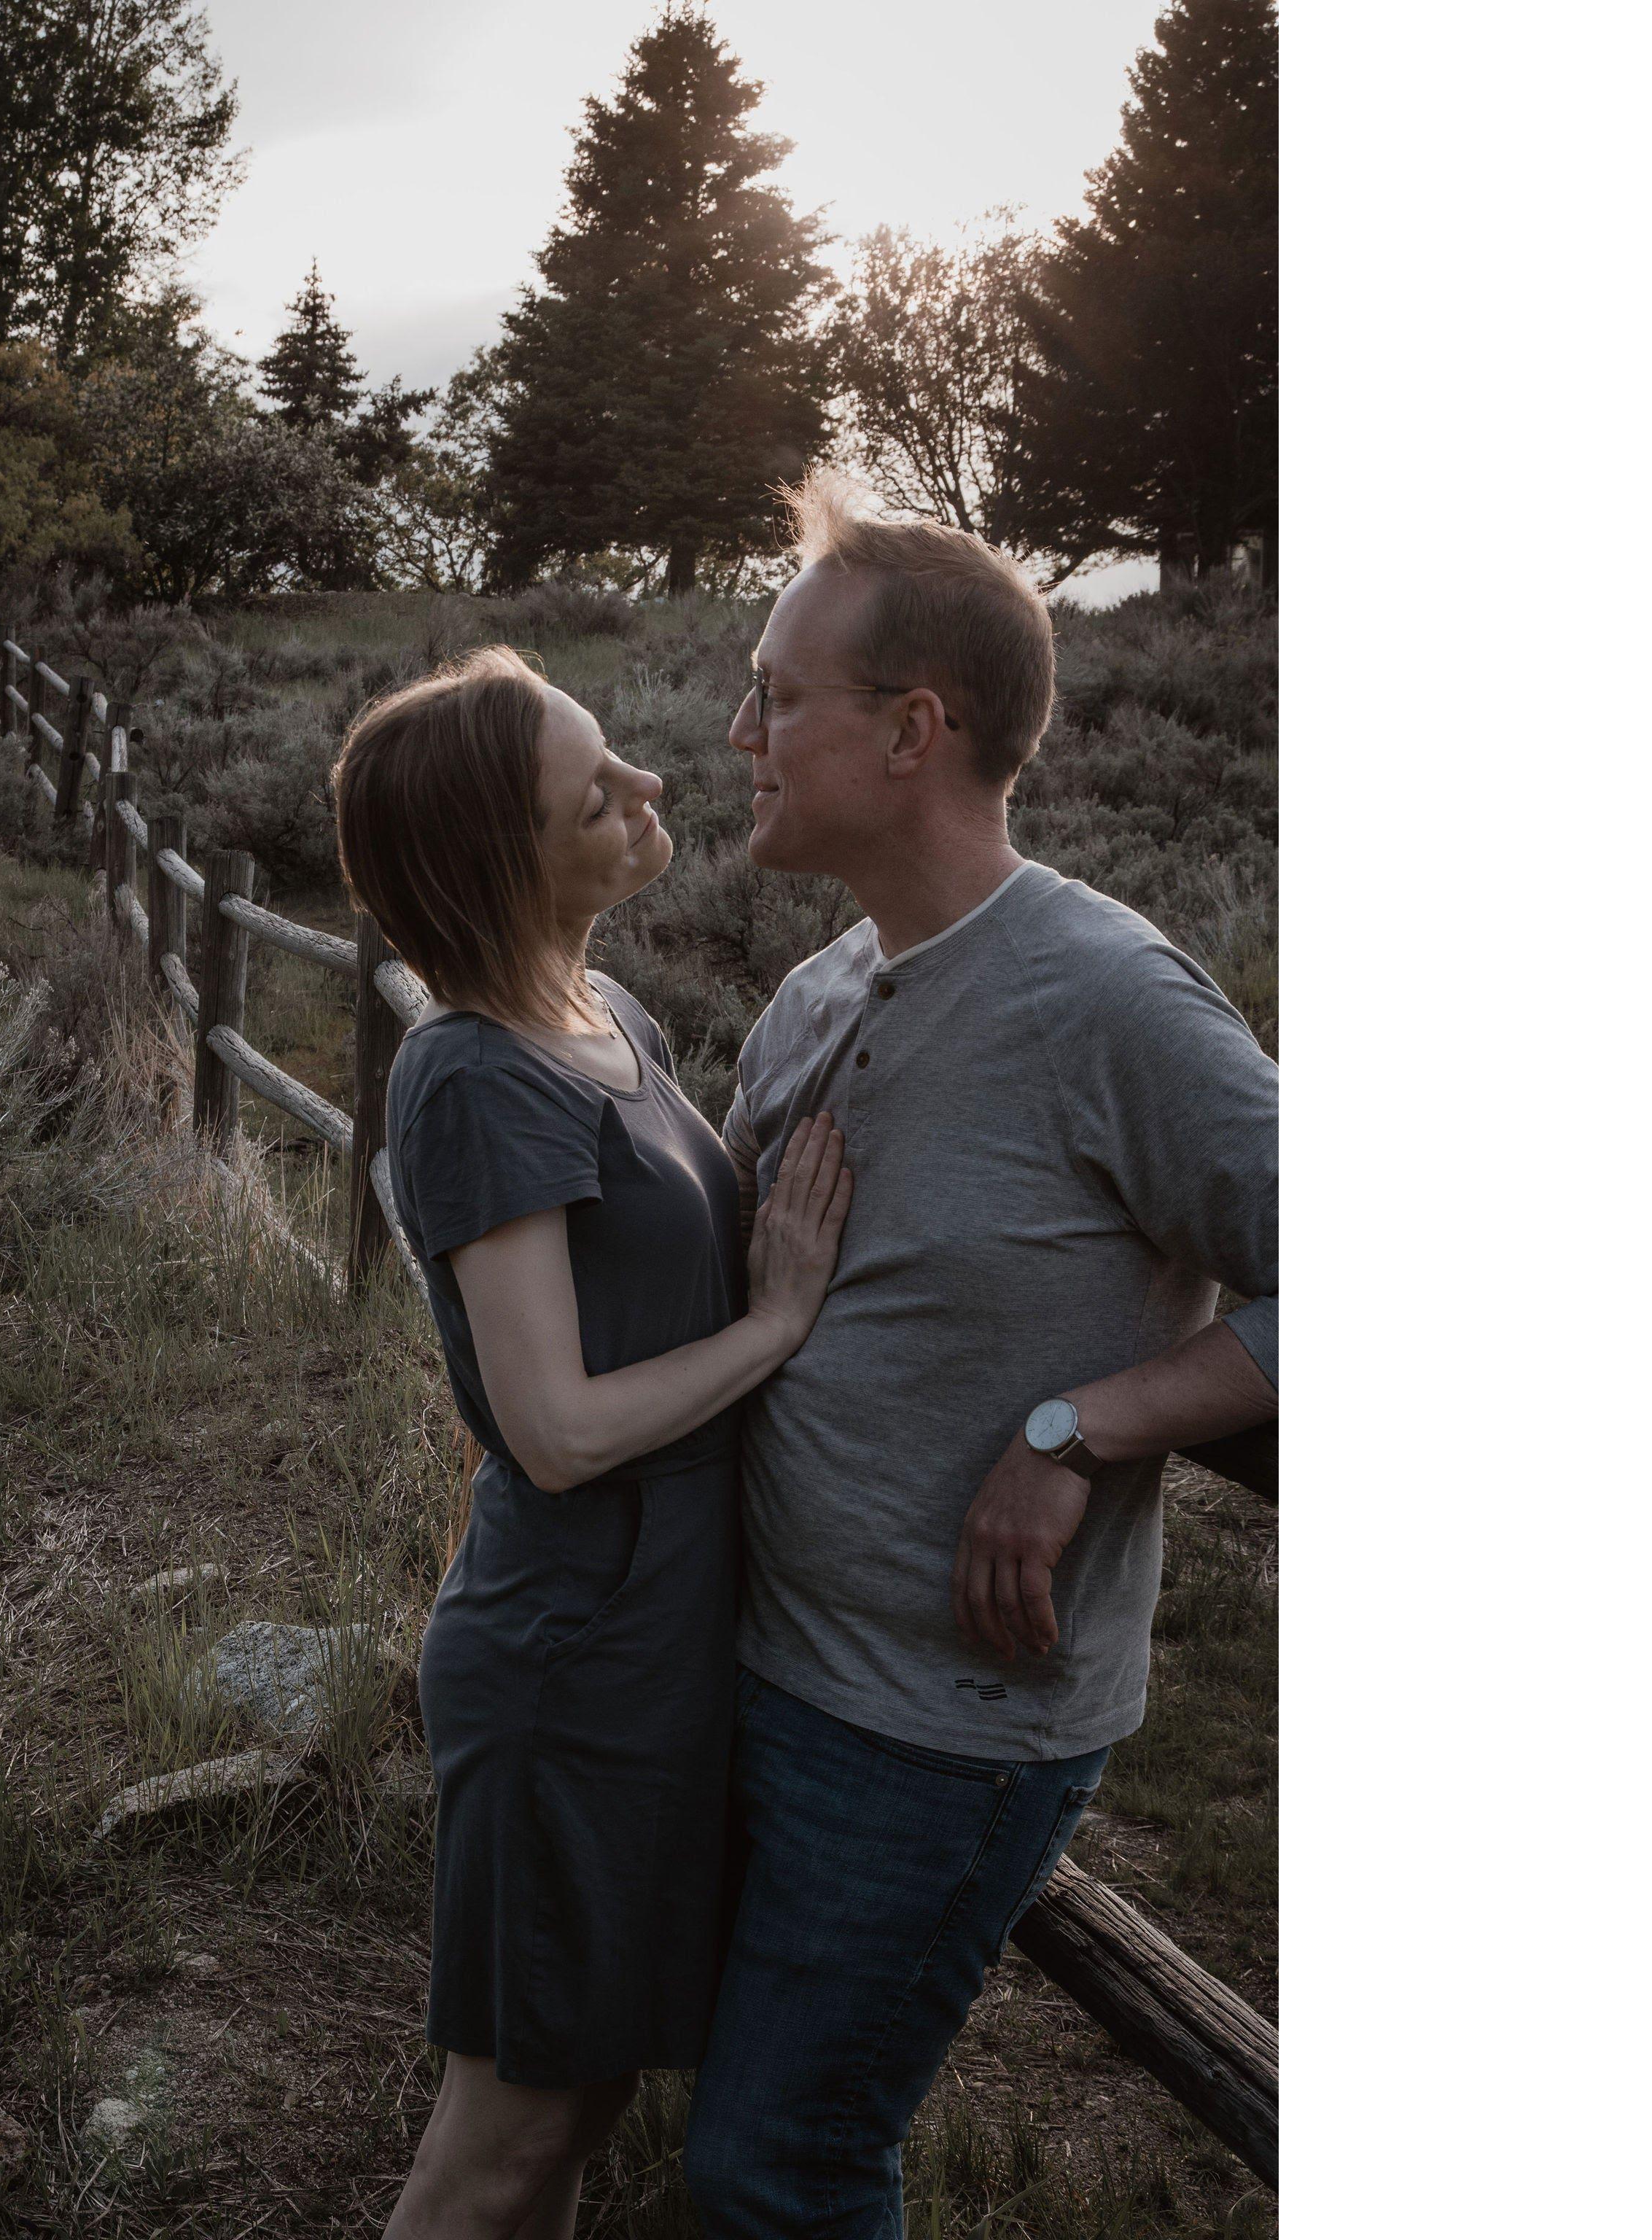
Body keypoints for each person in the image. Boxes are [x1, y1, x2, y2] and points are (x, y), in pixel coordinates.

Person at [681, 474, 1279, 2239]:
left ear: (912, 731)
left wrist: (1086, 1424)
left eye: (778, 696)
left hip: (935, 1734)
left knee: (780, 2171)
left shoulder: (1114, 1001)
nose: (740, 736)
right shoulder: (819, 989)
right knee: (713, 2112)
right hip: (756, 1665)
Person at [330, 646, 853, 2240]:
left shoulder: (603, 1011)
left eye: (616, 754)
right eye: (594, 794)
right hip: (576, 1654)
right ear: (502, 865)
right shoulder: (473, 1075)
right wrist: (775, 1324)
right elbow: (552, 1429)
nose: (650, 786)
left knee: (580, 2098)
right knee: (510, 2128)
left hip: (656, 1634)